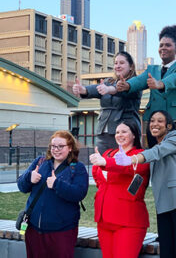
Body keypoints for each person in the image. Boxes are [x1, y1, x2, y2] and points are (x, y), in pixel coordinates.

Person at [115, 110, 176, 258]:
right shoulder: (155, 148)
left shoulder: (175, 137)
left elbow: (157, 152)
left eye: (160, 121)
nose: (155, 124)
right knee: (166, 253)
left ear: (168, 126)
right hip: (164, 207)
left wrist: (132, 158)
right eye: (152, 121)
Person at [116, 25, 176, 154]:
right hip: (156, 126)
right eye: (161, 45)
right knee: (155, 161)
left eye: (168, 45)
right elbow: (139, 81)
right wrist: (127, 85)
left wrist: (160, 84)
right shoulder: (152, 70)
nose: (163, 48)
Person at [17, 130, 89, 258]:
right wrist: (29, 177)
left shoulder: (77, 168)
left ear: (70, 147)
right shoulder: (40, 162)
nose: (56, 149)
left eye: (61, 146)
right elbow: (22, 186)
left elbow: (79, 193)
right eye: (53, 146)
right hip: (34, 229)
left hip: (62, 231)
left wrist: (57, 184)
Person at [89, 120, 150, 258]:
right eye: (117, 132)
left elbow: (126, 167)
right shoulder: (109, 153)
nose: (119, 135)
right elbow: (97, 174)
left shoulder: (140, 156)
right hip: (104, 220)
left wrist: (105, 162)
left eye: (124, 131)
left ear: (134, 135)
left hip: (128, 222)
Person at [72, 51, 142, 155]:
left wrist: (109, 89)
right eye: (116, 63)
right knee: (102, 164)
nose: (117, 66)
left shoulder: (135, 83)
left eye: (121, 63)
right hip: (103, 131)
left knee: (121, 164)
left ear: (131, 66)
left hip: (124, 131)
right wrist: (83, 90)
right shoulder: (108, 81)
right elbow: (96, 89)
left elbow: (121, 90)